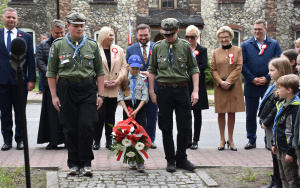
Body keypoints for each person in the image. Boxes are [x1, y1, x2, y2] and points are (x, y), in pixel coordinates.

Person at [46, 13, 105, 176]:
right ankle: (73, 163)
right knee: (69, 127)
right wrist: (54, 96)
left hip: (88, 88)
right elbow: (51, 72)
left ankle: (86, 163)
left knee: (87, 125)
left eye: (82, 26)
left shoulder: (92, 45)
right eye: (76, 25)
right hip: (66, 88)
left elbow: (100, 72)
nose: (79, 28)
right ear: (68, 26)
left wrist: (100, 95)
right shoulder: (58, 45)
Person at [148, 18, 200, 172]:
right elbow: (152, 70)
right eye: (165, 34)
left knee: (184, 126)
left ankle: (181, 158)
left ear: (178, 30)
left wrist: (195, 91)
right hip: (164, 91)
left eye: (170, 34)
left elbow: (194, 69)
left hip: (182, 90)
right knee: (166, 127)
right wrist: (152, 91)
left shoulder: (185, 46)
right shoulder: (157, 47)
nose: (167, 37)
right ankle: (170, 160)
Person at [242, 19, 282, 150]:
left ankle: (268, 140)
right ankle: (251, 139)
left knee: (268, 113)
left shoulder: (274, 44)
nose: (257, 31)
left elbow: (278, 62)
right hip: (251, 84)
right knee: (250, 114)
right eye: (255, 29)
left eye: (259, 29)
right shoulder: (246, 45)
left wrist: (266, 78)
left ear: (266, 29)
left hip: (268, 85)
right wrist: (252, 78)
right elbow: (243, 64)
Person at [0, 7, 36, 151]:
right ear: (3, 18)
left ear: (17, 19)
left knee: (21, 113)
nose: (11, 20)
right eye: (8, 17)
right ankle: (7, 140)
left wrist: (32, 79)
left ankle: (21, 140)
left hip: (20, 81)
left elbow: (30, 60)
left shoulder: (26, 36)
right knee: (5, 113)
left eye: (14, 18)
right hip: (2, 82)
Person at [258, 58, 292, 188]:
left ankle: (279, 182)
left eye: (272, 70)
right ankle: (275, 179)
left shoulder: (282, 87)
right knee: (273, 154)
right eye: (269, 70)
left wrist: (266, 121)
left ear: (281, 70)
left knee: (277, 154)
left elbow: (276, 108)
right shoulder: (273, 84)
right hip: (270, 124)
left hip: (274, 124)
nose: (269, 73)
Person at [210, 26, 245, 151]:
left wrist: (229, 81)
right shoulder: (215, 52)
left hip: (234, 86)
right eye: (221, 37)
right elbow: (212, 69)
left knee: (231, 112)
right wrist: (220, 82)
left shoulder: (238, 50)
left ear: (231, 37)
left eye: (226, 37)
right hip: (220, 87)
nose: (223, 39)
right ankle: (221, 139)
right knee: (221, 112)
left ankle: (230, 139)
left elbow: (239, 67)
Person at [93, 26, 127, 150]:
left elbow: (124, 67)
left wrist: (118, 81)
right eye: (110, 35)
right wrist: (101, 83)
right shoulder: (95, 49)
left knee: (110, 116)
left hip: (113, 88)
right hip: (100, 89)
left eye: (113, 35)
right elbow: (91, 69)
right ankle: (96, 140)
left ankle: (109, 140)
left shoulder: (118, 50)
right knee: (99, 116)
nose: (112, 37)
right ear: (103, 36)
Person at [126, 24, 158, 149]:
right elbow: (127, 67)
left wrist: (151, 74)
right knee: (138, 114)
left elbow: (162, 67)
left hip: (153, 86)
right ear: (137, 35)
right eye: (141, 35)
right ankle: (136, 139)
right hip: (136, 87)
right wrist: (136, 72)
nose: (143, 37)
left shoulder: (157, 47)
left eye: (145, 35)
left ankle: (150, 139)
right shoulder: (130, 49)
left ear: (150, 34)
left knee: (152, 114)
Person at [36, 19, 65, 150]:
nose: (59, 35)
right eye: (56, 33)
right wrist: (52, 74)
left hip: (64, 84)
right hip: (49, 84)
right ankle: (53, 140)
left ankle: (66, 140)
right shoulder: (43, 45)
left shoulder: (67, 44)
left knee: (65, 114)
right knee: (51, 115)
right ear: (51, 31)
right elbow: (40, 61)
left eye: (61, 33)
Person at [118, 55, 149, 172]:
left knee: (140, 134)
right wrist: (127, 111)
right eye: (133, 68)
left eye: (137, 68)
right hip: (127, 107)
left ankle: (140, 160)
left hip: (139, 108)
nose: (135, 70)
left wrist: (136, 111)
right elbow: (120, 96)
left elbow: (145, 96)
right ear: (128, 66)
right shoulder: (124, 79)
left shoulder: (143, 79)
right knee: (128, 134)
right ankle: (131, 158)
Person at [272, 74, 300, 187]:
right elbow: (277, 127)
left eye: (279, 88)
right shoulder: (283, 104)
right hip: (280, 148)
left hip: (287, 150)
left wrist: (290, 151)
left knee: (291, 179)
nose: (277, 91)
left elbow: (292, 132)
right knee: (283, 177)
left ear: (289, 90)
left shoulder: (294, 108)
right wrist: (274, 143)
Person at [185, 25, 209, 150]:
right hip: (185, 84)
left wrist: (192, 72)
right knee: (186, 113)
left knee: (197, 113)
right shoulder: (184, 49)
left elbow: (203, 65)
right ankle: (188, 139)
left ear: (197, 37)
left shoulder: (202, 50)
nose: (189, 39)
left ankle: (195, 140)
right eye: (187, 37)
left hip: (198, 85)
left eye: (192, 37)